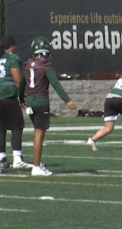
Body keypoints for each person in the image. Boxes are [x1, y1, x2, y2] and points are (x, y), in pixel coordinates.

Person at [19, 36, 77, 176]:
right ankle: (37, 167)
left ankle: (37, 164)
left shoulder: (27, 65)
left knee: (37, 134)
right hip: (41, 102)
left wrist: (21, 99)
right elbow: (56, 84)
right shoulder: (46, 66)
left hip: (30, 103)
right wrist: (67, 100)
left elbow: (21, 84)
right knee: (39, 135)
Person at [0, 37, 31, 169]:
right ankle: (17, 158)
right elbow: (17, 80)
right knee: (17, 127)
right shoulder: (12, 58)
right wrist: (24, 96)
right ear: (11, 46)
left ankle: (1, 159)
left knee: (0, 129)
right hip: (8, 96)